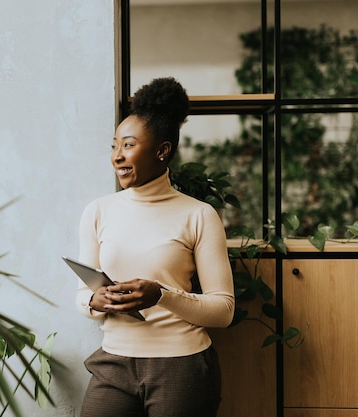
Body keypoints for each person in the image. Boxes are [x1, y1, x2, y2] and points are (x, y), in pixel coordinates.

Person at [75, 77, 235, 417]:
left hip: (182, 366)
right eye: (114, 146)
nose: (117, 156)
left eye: (128, 145)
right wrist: (94, 299)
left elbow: (223, 311)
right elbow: (80, 295)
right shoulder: (98, 211)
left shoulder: (199, 215)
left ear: (162, 150)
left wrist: (161, 295)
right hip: (114, 363)